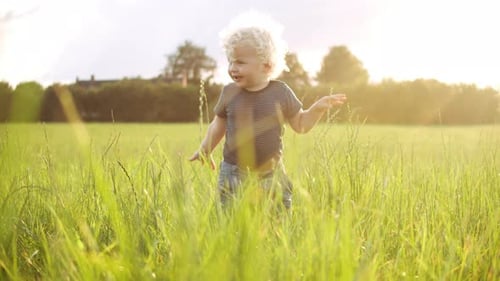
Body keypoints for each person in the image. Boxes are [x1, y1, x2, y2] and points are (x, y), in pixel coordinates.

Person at [189, 12, 346, 209]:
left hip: (271, 173)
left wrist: (317, 109)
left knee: (278, 214)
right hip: (233, 171)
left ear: (266, 65)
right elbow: (218, 123)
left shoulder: (280, 92)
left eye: (240, 62)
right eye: (230, 61)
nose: (232, 68)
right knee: (229, 216)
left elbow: (301, 125)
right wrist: (206, 148)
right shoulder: (229, 93)